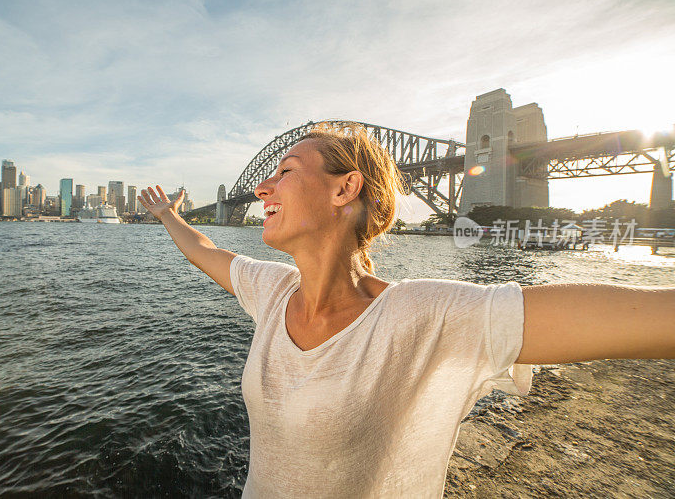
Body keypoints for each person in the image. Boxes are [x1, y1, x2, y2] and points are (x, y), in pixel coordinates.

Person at [137, 122, 674, 498]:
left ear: (346, 188)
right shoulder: (273, 289)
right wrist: (167, 216)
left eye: (286, 170)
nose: (261, 186)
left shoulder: (418, 315)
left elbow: (646, 321)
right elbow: (209, 251)